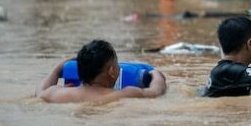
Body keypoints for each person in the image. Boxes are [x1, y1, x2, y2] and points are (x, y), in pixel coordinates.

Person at [36, 40, 167, 103]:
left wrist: (58, 68)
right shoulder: (123, 94)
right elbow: (157, 92)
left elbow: (39, 93)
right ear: (111, 71)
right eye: (116, 64)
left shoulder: (56, 93)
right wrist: (157, 74)